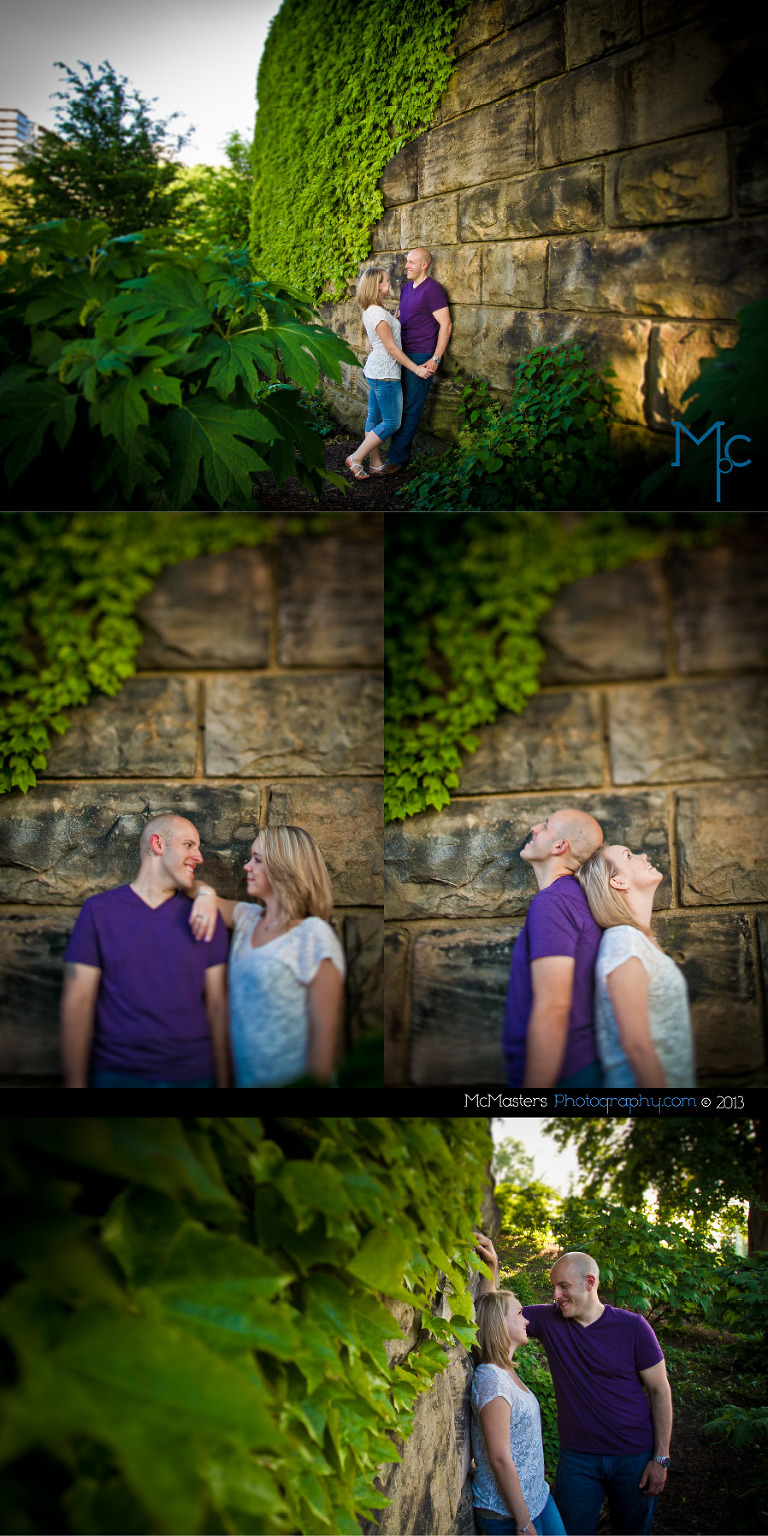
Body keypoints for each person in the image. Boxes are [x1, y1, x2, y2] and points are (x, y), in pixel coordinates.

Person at [477, 1236, 673, 1536]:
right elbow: (494, 1319)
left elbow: (660, 1391)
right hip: (578, 1459)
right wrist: (491, 1268)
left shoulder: (633, 1327)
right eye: (553, 1287)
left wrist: (660, 1458)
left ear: (589, 1282)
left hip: (633, 1455)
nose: (555, 1295)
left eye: (563, 1286)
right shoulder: (550, 1319)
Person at [60, 814, 230, 1088]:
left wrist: (223, 1083)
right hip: (117, 1074)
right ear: (158, 844)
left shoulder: (206, 915)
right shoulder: (100, 911)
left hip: (194, 1075)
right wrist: (75, 1083)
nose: (199, 857)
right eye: (189, 845)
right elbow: (78, 1002)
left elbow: (218, 1006)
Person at [188, 824, 345, 1085]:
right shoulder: (247, 919)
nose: (247, 866)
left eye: (257, 860)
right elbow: (189, 885)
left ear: (285, 868)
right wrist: (206, 894)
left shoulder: (313, 935)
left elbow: (324, 1039)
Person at [576, 845, 695, 1088]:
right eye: (629, 856)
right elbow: (637, 1047)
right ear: (617, 881)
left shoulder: (640, 940)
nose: (644, 856)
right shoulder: (624, 942)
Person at [504, 808, 604, 1092]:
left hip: (562, 1072)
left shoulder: (554, 902)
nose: (534, 828)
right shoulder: (574, 898)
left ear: (560, 846)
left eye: (546, 826)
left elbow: (554, 1006)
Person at [471, 1289, 567, 1536]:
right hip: (508, 1513)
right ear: (499, 1322)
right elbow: (500, 1458)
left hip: (538, 1498)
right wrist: (523, 1523)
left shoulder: (505, 1372)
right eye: (519, 1313)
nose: (526, 1321)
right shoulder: (492, 1380)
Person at [345, 266, 431, 480]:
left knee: (374, 418)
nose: (389, 282)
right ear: (377, 285)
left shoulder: (372, 310)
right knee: (392, 422)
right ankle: (356, 457)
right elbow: (392, 348)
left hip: (375, 372)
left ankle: (375, 465)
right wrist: (416, 368)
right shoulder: (379, 314)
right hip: (386, 374)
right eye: (386, 280)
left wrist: (394, 319)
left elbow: (377, 339)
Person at [377, 246, 452, 475]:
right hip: (400, 353)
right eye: (407, 261)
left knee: (410, 407)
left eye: (411, 262)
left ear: (424, 265)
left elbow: (446, 325)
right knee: (394, 405)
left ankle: (397, 459)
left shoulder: (434, 290)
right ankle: (383, 453)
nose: (406, 266)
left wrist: (435, 359)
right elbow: (399, 319)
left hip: (420, 356)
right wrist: (381, 340)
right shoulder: (406, 289)